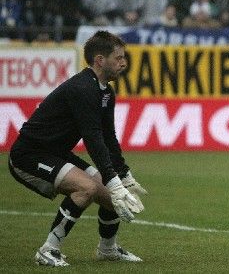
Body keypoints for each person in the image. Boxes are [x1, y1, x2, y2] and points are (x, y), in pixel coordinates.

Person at [8, 31, 148, 267]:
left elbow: (108, 136)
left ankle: (108, 250)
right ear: (100, 60)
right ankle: (48, 249)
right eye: (118, 58)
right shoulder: (82, 89)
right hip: (29, 154)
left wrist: (123, 175)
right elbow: (92, 138)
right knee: (88, 188)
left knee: (109, 195)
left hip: (55, 153)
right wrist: (113, 181)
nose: (124, 63)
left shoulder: (104, 91)